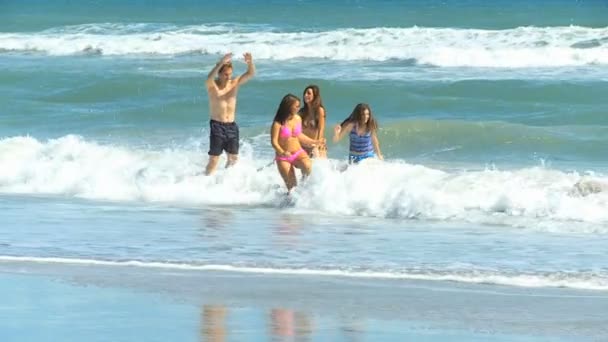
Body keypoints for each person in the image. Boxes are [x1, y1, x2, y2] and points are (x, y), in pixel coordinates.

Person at [204, 52, 255, 175]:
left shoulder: (234, 83)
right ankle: (205, 181)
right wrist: (221, 62)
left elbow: (250, 74)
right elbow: (209, 78)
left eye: (230, 74)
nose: (229, 77)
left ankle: (224, 181)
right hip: (217, 125)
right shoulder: (212, 86)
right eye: (226, 74)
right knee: (214, 158)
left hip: (231, 126)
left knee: (233, 158)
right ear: (219, 73)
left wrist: (250, 62)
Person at [270, 94, 321, 192]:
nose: (298, 108)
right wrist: (282, 152)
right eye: (296, 106)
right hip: (283, 157)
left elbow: (299, 135)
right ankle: (288, 204)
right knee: (292, 188)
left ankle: (303, 190)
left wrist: (314, 142)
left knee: (308, 167)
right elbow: (274, 142)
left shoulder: (298, 118)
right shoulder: (277, 123)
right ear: (289, 106)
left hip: (298, 152)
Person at [298, 85, 327, 158]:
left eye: (308, 93)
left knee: (320, 166)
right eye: (305, 93)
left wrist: (319, 144)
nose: (305, 95)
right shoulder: (302, 112)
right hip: (303, 145)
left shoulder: (319, 110)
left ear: (315, 96)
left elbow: (321, 129)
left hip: (314, 145)